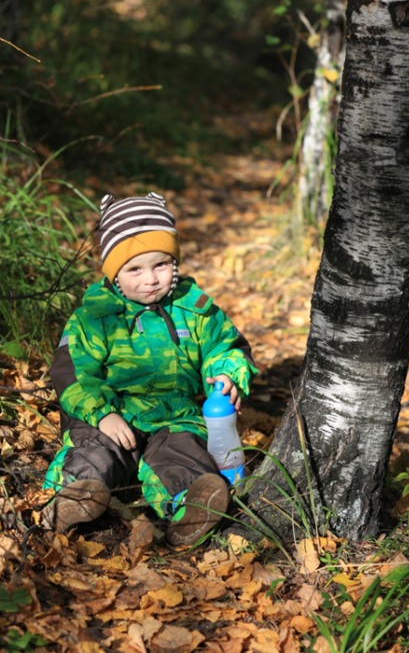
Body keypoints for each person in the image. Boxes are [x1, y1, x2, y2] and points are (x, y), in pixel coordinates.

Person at [42, 192, 257, 546]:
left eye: (161, 264)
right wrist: (102, 414)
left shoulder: (195, 308)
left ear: (175, 261)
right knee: (96, 451)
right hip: (113, 415)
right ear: (113, 273)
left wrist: (227, 373)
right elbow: (74, 373)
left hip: (174, 415)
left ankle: (191, 506)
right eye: (134, 269)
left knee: (184, 452)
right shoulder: (95, 317)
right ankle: (73, 496)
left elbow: (226, 345)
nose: (151, 279)